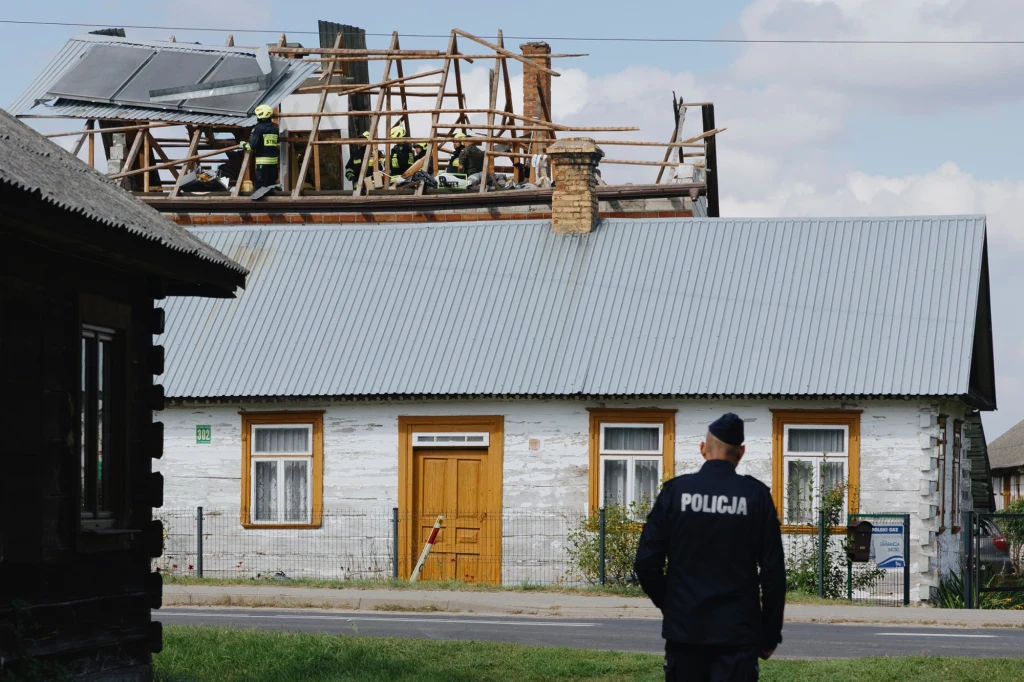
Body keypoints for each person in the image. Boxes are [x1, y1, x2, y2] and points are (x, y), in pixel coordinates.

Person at [634, 413, 785, 682]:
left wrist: (672, 605)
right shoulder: (755, 496)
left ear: (703, 449)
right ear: (741, 453)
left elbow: (646, 563)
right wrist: (769, 634)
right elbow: (773, 574)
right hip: (738, 634)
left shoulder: (676, 492)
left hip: (685, 632)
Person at [241, 104, 279, 190]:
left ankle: (258, 203)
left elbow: (252, 146)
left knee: (261, 184)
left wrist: (243, 145)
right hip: (273, 161)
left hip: (263, 161)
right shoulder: (274, 129)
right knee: (271, 184)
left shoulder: (257, 129)